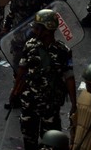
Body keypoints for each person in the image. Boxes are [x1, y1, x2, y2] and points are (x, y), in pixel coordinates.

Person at [10, 10, 77, 150]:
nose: (33, 30)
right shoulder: (30, 46)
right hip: (30, 102)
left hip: (51, 105)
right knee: (29, 139)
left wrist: (74, 104)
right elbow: (21, 71)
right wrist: (14, 92)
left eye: (37, 27)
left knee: (51, 142)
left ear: (47, 29)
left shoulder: (63, 51)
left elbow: (69, 77)